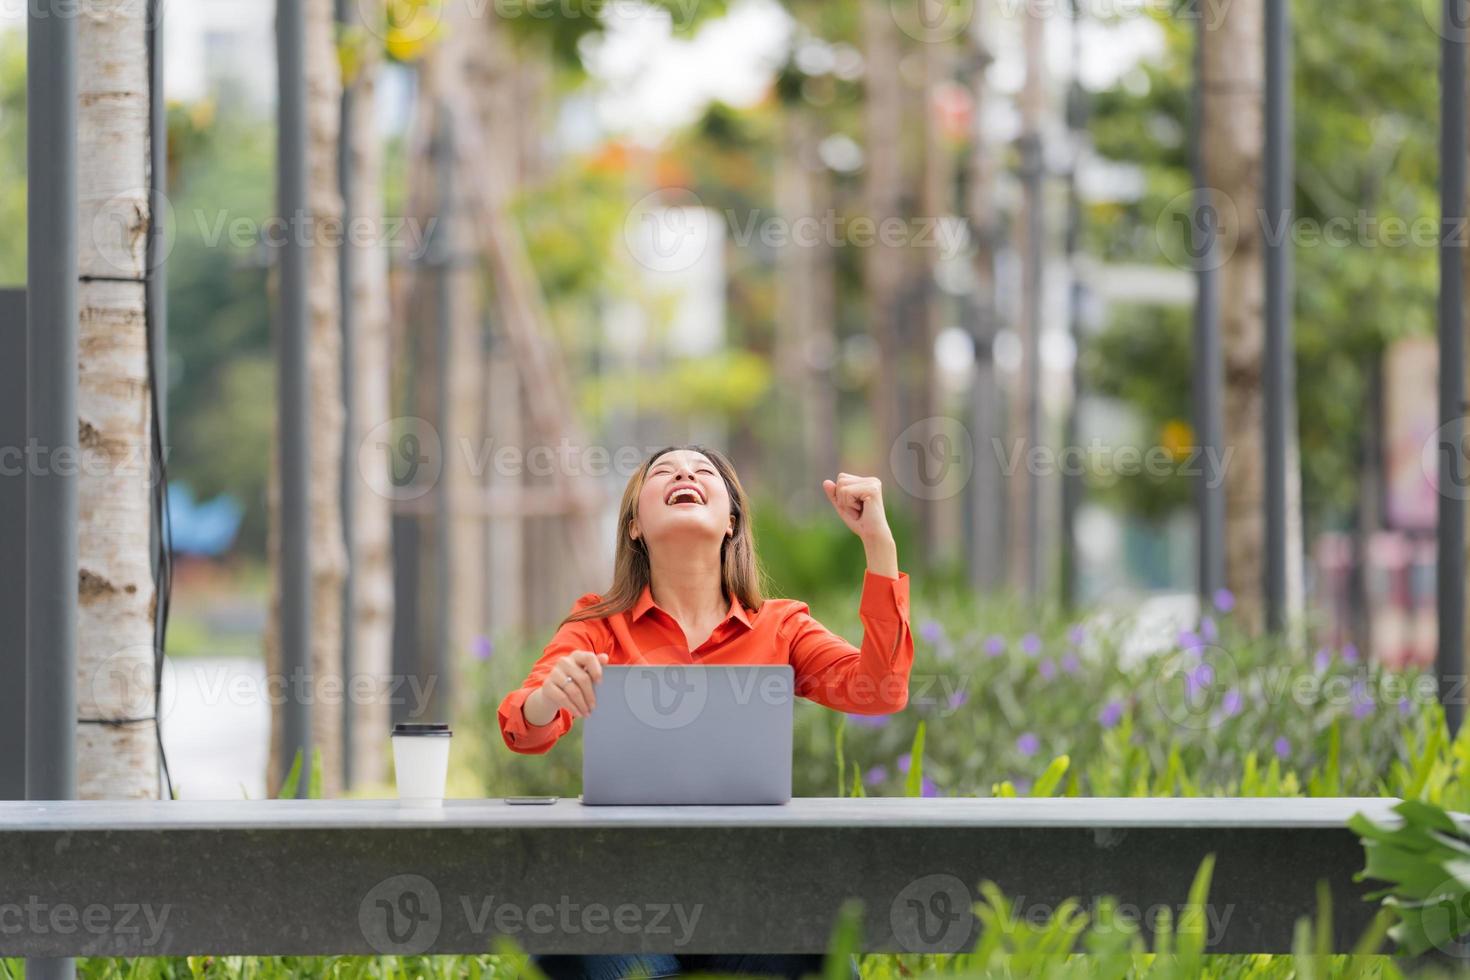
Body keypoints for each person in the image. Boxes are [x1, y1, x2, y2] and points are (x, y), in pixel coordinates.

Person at [498, 445, 915, 980]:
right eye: (665, 471)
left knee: (818, 960)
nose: (685, 473)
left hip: (751, 903)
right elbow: (523, 728)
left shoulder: (781, 627)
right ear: (634, 527)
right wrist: (547, 698)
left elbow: (879, 691)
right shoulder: (597, 627)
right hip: (624, 904)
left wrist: (878, 544)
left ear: (732, 522)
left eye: (703, 471)